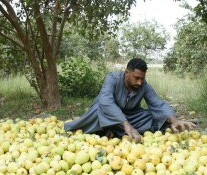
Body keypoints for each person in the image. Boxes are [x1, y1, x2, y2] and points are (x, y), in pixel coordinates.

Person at [64, 58, 195, 142]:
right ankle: (111, 129)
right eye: (136, 78)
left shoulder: (143, 85)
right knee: (100, 106)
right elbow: (106, 101)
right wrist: (126, 125)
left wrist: (174, 119)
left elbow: (157, 103)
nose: (139, 82)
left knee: (153, 115)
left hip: (130, 116)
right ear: (127, 72)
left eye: (142, 78)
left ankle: (115, 131)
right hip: (107, 114)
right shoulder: (112, 78)